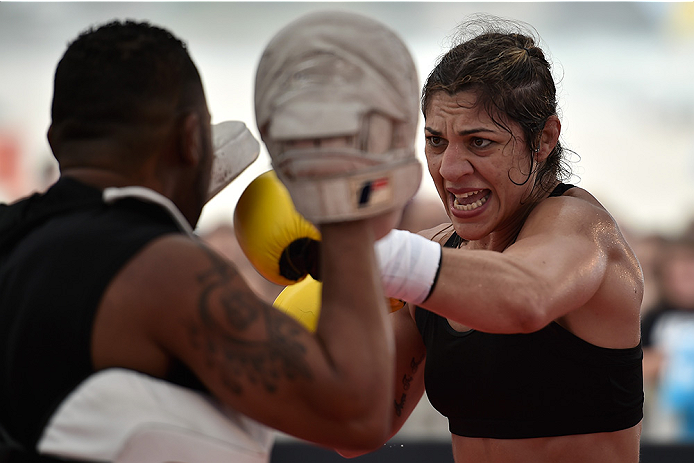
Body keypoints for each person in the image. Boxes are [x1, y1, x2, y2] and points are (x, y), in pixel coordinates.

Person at [0, 17, 403, 463]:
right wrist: (339, 198)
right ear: (193, 139)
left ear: (57, 142)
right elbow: (355, 413)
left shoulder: (13, 237)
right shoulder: (163, 270)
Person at [248, 13, 645, 462]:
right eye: (436, 141)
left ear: (544, 139)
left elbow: (526, 296)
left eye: (479, 142)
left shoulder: (580, 228)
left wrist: (357, 251)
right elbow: (356, 430)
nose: (450, 169)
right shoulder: (430, 260)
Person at [641, 224, 694, 441]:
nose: (684, 283)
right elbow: (640, 362)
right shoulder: (656, 317)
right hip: (669, 424)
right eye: (677, 276)